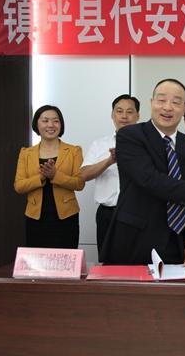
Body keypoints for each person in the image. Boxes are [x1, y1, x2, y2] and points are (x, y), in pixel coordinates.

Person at [99, 78, 185, 266]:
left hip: (177, 243)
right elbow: (149, 180)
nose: (168, 107)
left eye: (176, 102)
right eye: (162, 100)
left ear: (183, 109)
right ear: (151, 103)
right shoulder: (129, 136)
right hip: (133, 241)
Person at [14, 105, 85, 248]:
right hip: (35, 218)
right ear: (37, 124)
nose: (51, 125)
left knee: (65, 259)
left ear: (61, 124)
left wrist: (55, 175)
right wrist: (40, 177)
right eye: (45, 120)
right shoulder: (26, 153)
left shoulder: (74, 151)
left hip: (66, 218)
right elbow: (19, 186)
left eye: (55, 121)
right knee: (37, 260)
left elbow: (79, 183)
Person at [80, 94, 140, 254]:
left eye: (129, 112)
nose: (124, 116)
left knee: (136, 260)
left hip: (138, 213)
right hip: (108, 213)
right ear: (112, 115)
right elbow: (83, 175)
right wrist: (109, 161)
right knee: (107, 260)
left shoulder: (147, 145)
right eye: (119, 111)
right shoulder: (99, 144)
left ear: (138, 116)